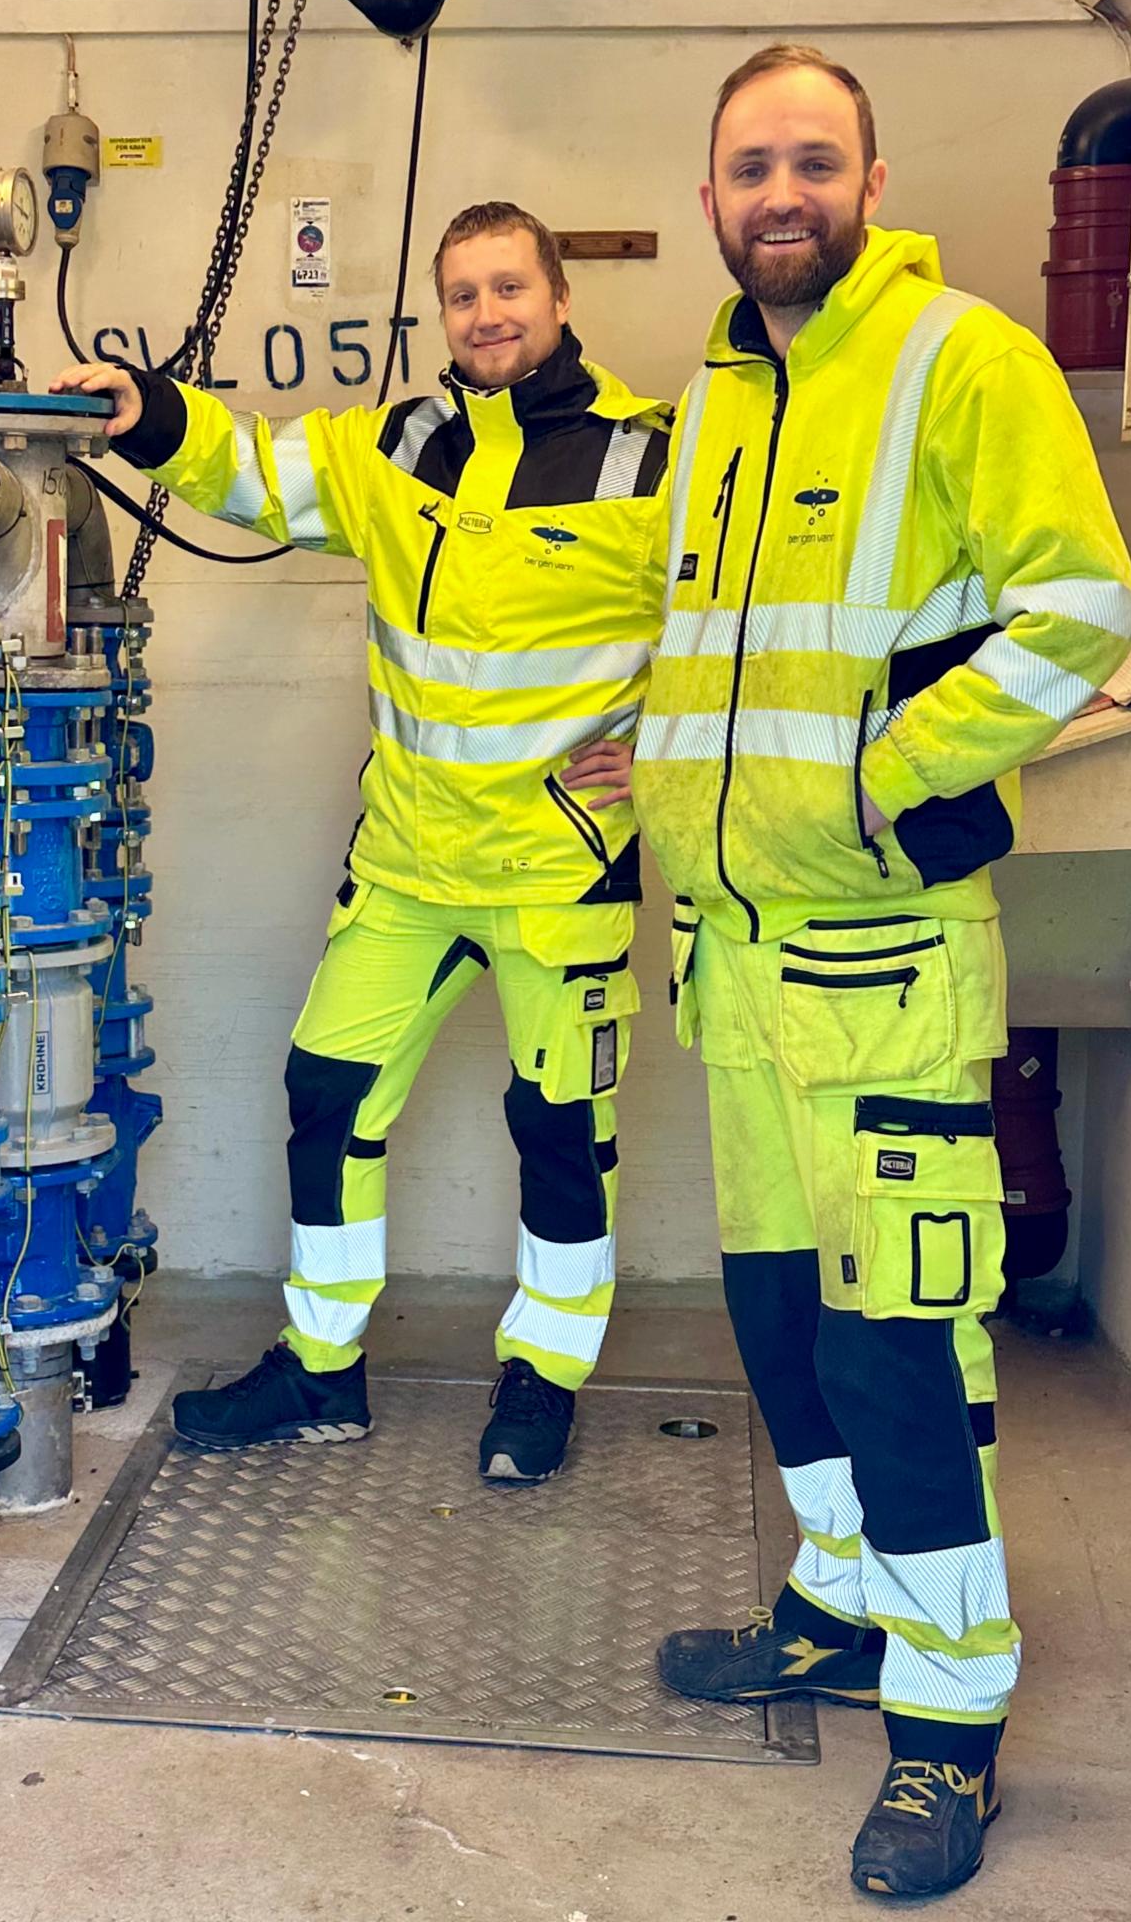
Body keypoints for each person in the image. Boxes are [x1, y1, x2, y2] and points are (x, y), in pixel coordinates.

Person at [633, 45, 1131, 1898]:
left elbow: (1083, 606)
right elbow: (735, 652)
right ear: (710, 195)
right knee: (782, 1323)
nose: (783, 192)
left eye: (815, 161)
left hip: (889, 966)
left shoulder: (962, 357)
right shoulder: (723, 394)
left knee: (901, 1346)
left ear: (870, 181)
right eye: (752, 164)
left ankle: (949, 1717)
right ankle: (844, 1604)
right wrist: (660, 765)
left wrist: (886, 771)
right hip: (742, 965)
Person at [52, 202, 671, 1484]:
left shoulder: (649, 460)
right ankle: (321, 1368)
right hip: (404, 867)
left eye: (509, 287)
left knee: (563, 1133)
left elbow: (741, 631)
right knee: (326, 1096)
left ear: (558, 298)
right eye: (463, 294)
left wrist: (670, 756)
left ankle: (543, 1376)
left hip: (558, 876)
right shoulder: (396, 443)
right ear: (441, 313)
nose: (487, 314)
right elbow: (252, 468)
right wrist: (146, 411)